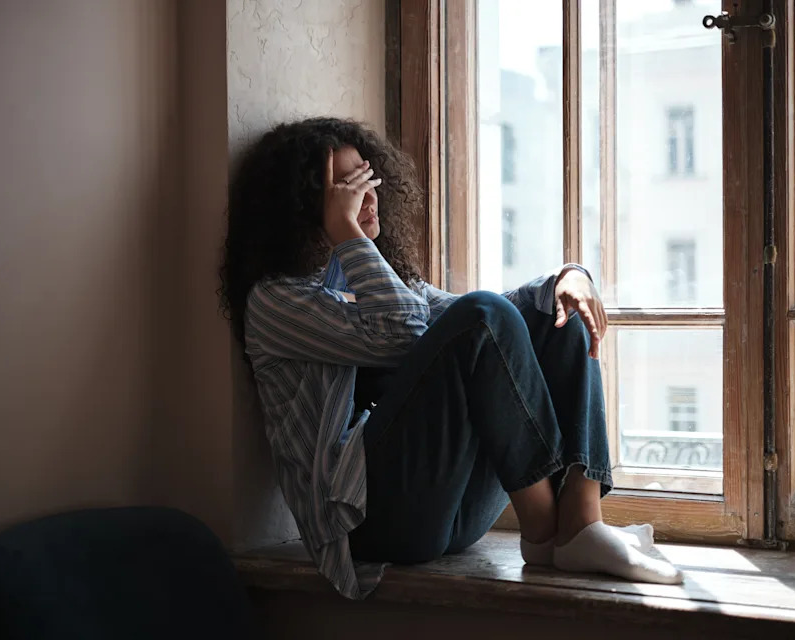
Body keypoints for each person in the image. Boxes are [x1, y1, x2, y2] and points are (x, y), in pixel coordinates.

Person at [219, 117, 683, 600]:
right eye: (346, 187)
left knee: (555, 313)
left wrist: (569, 275)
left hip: (451, 514)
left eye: (368, 179)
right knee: (482, 314)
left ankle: (582, 521)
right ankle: (550, 532)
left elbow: (496, 329)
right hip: (364, 523)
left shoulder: (386, 285)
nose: (367, 197)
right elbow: (407, 333)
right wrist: (347, 233)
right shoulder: (275, 302)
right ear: (301, 204)